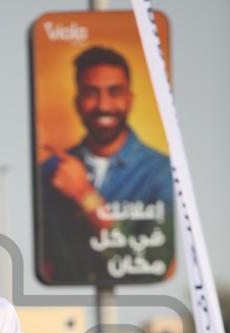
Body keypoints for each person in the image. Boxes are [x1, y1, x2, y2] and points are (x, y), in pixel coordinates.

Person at [40, 46, 174, 285]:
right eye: (91, 93)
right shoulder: (49, 172)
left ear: (129, 99)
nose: (103, 105)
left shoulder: (162, 172)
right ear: (77, 101)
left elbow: (153, 265)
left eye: (114, 92)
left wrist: (84, 194)